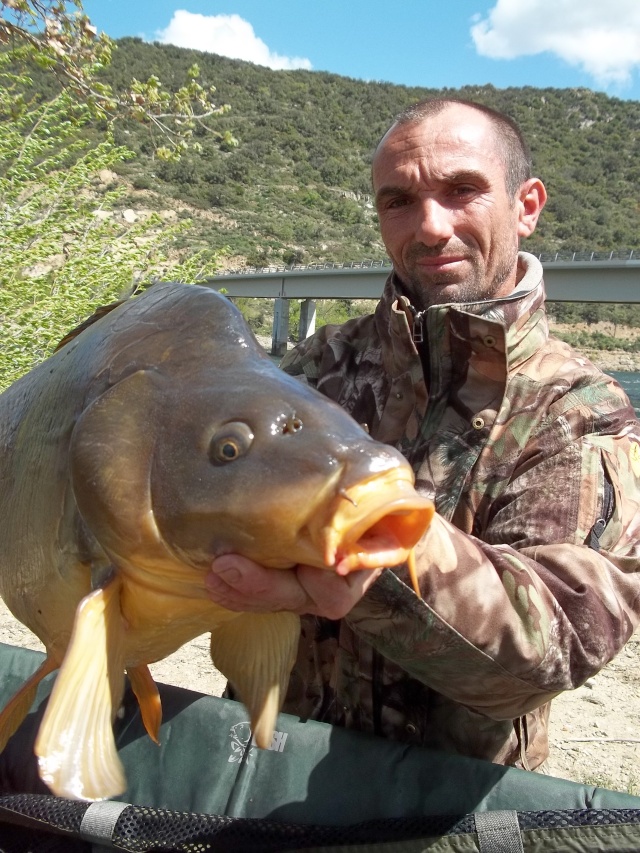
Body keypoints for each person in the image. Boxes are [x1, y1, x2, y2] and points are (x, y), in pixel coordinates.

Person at [204, 99, 640, 770]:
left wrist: (371, 558)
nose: (431, 227)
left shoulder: (580, 412)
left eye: (462, 190)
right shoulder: (317, 368)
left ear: (527, 205)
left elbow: (558, 639)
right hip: (262, 773)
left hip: (440, 810)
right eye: (399, 200)